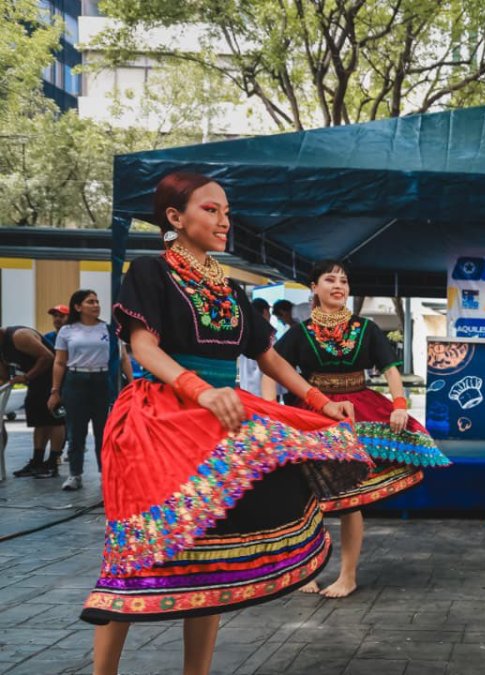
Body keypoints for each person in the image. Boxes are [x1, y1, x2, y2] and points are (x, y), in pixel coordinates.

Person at [81, 172, 373, 675]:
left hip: (217, 416)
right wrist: (199, 389)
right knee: (137, 553)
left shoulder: (230, 287)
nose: (224, 221)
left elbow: (267, 356)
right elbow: (143, 347)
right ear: (175, 217)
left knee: (209, 562)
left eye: (227, 212)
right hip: (157, 419)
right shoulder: (150, 272)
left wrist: (319, 401)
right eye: (211, 210)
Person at [266, 260, 449, 598]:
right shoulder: (301, 332)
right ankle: (307, 570)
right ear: (314, 287)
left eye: (344, 281)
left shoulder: (366, 328)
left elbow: (390, 369)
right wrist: (271, 412)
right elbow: (271, 366)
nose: (338, 286)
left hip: (358, 410)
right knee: (308, 496)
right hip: (314, 412)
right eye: (330, 279)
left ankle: (347, 576)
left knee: (351, 498)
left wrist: (399, 404)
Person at [47, 289, 134, 491]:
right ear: (78, 307)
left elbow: (123, 358)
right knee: (76, 431)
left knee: (103, 431)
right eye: (90, 302)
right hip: (75, 381)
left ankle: (106, 474)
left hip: (101, 381)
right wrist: (55, 390)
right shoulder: (67, 331)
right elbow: (59, 362)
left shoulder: (109, 330)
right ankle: (75, 475)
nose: (96, 305)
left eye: (97, 301)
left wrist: (131, 383)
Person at [3, 324, 66, 478]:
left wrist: (26, 377)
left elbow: (48, 357)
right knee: (39, 420)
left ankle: (52, 463)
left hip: (54, 379)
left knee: (55, 420)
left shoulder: (19, 336)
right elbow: (3, 376)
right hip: (36, 381)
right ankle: (37, 462)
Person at [237, 298, 272, 397]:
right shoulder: (267, 336)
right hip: (263, 391)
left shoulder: (242, 333)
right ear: (265, 312)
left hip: (246, 387)